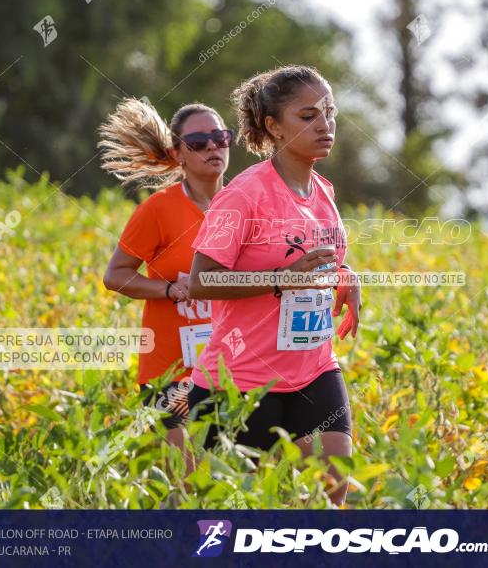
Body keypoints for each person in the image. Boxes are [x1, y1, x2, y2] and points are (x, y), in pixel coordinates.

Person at [188, 66, 362, 505]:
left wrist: (345, 276)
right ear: (272, 125)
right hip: (239, 380)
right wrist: (281, 280)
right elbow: (201, 281)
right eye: (307, 116)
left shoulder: (323, 191)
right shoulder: (244, 195)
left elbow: (314, 261)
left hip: (314, 368)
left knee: (328, 497)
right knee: (230, 519)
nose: (325, 125)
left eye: (329, 113)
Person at [98, 97, 231, 456]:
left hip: (231, 370)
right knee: (186, 483)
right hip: (171, 373)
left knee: (228, 485)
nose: (213, 147)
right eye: (199, 143)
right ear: (178, 154)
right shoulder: (158, 209)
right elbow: (116, 276)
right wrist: (170, 289)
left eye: (220, 137)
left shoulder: (242, 205)